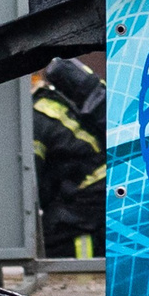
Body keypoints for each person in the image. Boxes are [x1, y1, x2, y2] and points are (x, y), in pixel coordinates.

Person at [32, 57, 109, 258]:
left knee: (56, 233)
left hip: (92, 183)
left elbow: (32, 182)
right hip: (95, 180)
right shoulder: (48, 101)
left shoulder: (37, 115)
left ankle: (82, 272)